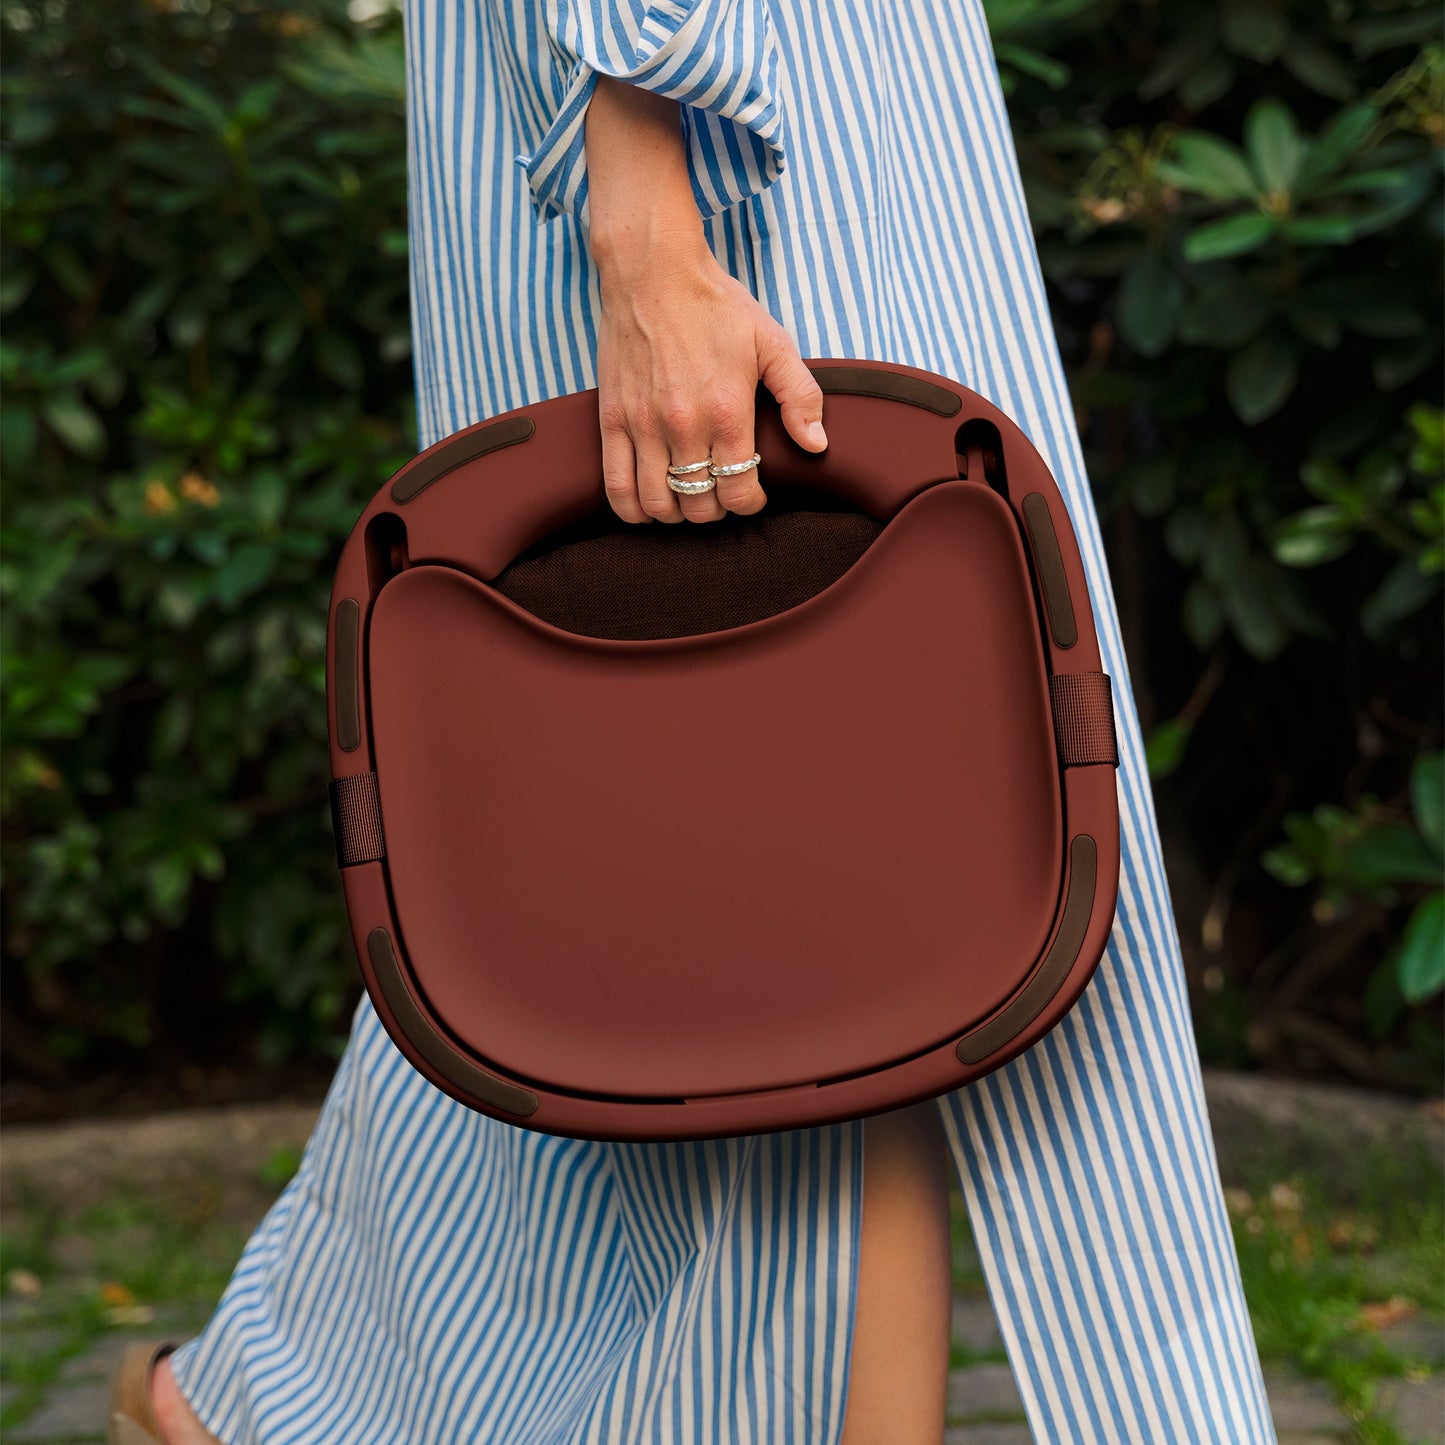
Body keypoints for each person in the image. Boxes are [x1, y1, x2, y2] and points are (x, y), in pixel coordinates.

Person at [109, 1, 1280, 1441]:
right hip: (715, 141)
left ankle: (273, 1397)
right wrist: (644, 193)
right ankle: (269, 1399)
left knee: (769, 913)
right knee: (805, 905)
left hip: (792, 113)